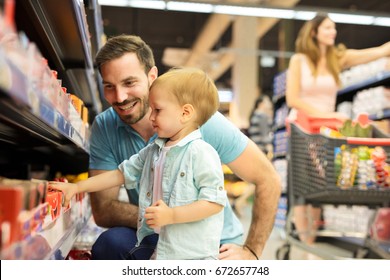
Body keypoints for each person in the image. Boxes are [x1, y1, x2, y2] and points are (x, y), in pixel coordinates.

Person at [88, 34, 281, 260]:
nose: (120, 97)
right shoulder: (105, 126)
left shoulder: (199, 120)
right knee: (110, 244)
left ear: (152, 76)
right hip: (158, 235)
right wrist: (163, 218)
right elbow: (102, 210)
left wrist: (252, 251)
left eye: (129, 83)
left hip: (215, 244)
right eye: (109, 86)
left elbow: (268, 179)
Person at [50, 68, 226, 260]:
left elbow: (213, 202)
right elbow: (120, 174)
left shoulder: (201, 153)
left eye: (157, 110)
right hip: (164, 249)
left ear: (185, 113)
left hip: (194, 255)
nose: (151, 117)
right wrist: (76, 188)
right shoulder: (154, 150)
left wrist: (172, 215)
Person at [285, 13, 390, 246]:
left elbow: (376, 52)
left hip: (329, 130)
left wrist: (385, 49)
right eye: (327, 28)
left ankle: (310, 241)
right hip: (304, 127)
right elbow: (293, 98)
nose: (333, 32)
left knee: (322, 184)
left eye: (333, 28)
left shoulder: (337, 58)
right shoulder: (299, 61)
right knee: (306, 184)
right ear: (314, 32)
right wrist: (327, 115)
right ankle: (307, 242)